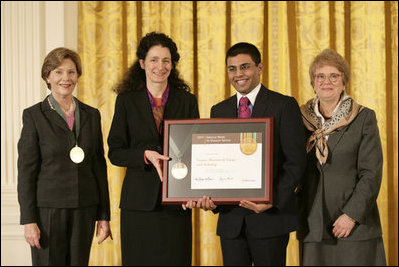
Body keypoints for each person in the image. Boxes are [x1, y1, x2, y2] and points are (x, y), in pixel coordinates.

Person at [185, 42, 307, 266]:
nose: (238, 74)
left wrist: (272, 200)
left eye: (245, 67)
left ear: (259, 67)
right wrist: (210, 198)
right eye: (232, 69)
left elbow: (296, 163)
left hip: (270, 220)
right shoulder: (218, 110)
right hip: (231, 222)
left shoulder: (284, 105)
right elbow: (216, 164)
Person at [107, 32, 199, 266]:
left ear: (173, 64)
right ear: (142, 63)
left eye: (166, 60)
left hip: (177, 202)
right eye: (154, 60)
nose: (160, 66)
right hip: (138, 204)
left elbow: (195, 152)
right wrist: (144, 155)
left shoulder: (187, 101)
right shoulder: (126, 101)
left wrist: (192, 191)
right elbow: (115, 151)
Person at [17, 47, 112, 266]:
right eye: (58, 72)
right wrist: (29, 220)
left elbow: (99, 166)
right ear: (47, 76)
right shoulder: (34, 115)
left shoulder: (91, 115)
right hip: (48, 211)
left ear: (77, 76)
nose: (66, 78)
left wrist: (104, 215)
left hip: (84, 208)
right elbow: (26, 171)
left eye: (71, 72)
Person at [296, 48, 386, 266]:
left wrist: (351, 215)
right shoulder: (299, 118)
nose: (327, 81)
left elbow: (371, 173)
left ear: (344, 81)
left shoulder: (363, 117)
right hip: (312, 225)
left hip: (355, 226)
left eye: (334, 76)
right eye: (320, 76)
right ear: (313, 82)